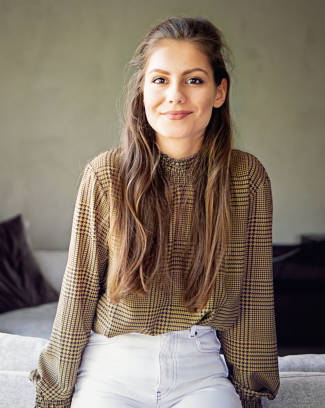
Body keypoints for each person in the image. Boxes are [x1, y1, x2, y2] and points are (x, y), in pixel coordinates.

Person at [29, 16, 279, 408]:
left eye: (194, 80)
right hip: (111, 369)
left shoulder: (246, 178)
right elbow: (78, 291)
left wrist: (250, 393)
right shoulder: (105, 174)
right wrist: (55, 395)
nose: (175, 95)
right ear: (142, 90)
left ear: (219, 92)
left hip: (200, 373)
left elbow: (254, 297)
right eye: (160, 80)